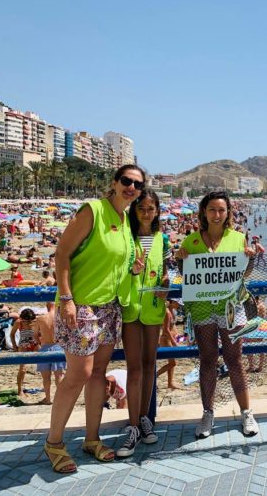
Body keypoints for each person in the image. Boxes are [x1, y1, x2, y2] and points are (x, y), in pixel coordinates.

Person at [44, 164, 145, 474]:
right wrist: (66, 299)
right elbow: (62, 254)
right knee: (79, 374)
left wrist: (133, 268)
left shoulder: (125, 221)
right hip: (81, 305)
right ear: (114, 183)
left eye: (137, 184)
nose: (131, 187)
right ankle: (54, 442)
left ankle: (92, 439)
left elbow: (113, 264)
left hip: (109, 308)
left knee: (99, 373)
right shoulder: (93, 210)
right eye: (126, 180)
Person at [175, 191, 259, 439]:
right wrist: (180, 260)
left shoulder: (238, 238)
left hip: (232, 307)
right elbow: (187, 274)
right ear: (204, 212)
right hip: (202, 308)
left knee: (235, 360)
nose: (216, 214)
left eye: (221, 210)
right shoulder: (190, 241)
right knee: (207, 361)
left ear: (228, 213)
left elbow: (244, 274)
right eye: (212, 209)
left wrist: (251, 259)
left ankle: (246, 412)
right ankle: (207, 413)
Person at [117, 189, 170, 457]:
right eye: (141, 209)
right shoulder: (126, 235)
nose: (146, 213)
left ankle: (145, 419)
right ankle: (133, 426)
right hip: (130, 308)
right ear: (134, 210)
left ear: (157, 211)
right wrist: (132, 271)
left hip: (153, 309)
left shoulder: (163, 238)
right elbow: (118, 270)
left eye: (151, 209)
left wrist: (166, 284)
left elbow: (165, 271)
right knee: (134, 367)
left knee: (150, 364)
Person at [35, 304, 65, 406]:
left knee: (46, 378)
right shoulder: (60, 316)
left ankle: (48, 399)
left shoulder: (40, 318)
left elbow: (35, 335)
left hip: (45, 348)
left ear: (47, 306)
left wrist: (40, 343)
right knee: (59, 376)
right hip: (58, 347)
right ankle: (61, 399)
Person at [11, 308, 40, 396]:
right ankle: (20, 390)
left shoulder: (37, 320)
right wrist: (14, 346)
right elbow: (12, 334)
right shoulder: (18, 322)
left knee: (44, 366)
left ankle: (47, 388)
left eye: (31, 321)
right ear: (22, 319)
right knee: (23, 369)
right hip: (24, 344)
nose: (29, 323)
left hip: (35, 343)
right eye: (26, 322)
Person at [157, 300, 180, 389]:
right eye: (177, 302)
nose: (179, 304)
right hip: (166, 339)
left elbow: (172, 326)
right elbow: (166, 330)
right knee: (173, 363)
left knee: (171, 362)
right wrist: (174, 341)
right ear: (172, 302)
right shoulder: (166, 312)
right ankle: (154, 376)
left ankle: (170, 383)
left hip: (171, 338)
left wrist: (177, 336)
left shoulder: (172, 311)